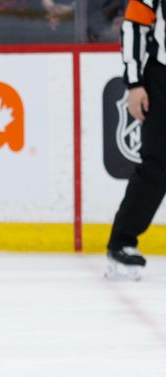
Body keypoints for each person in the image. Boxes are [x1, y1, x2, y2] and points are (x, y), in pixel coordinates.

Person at [106, 0, 165, 280]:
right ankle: (122, 242)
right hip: (163, 77)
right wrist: (134, 82)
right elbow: (135, 24)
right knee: (157, 163)